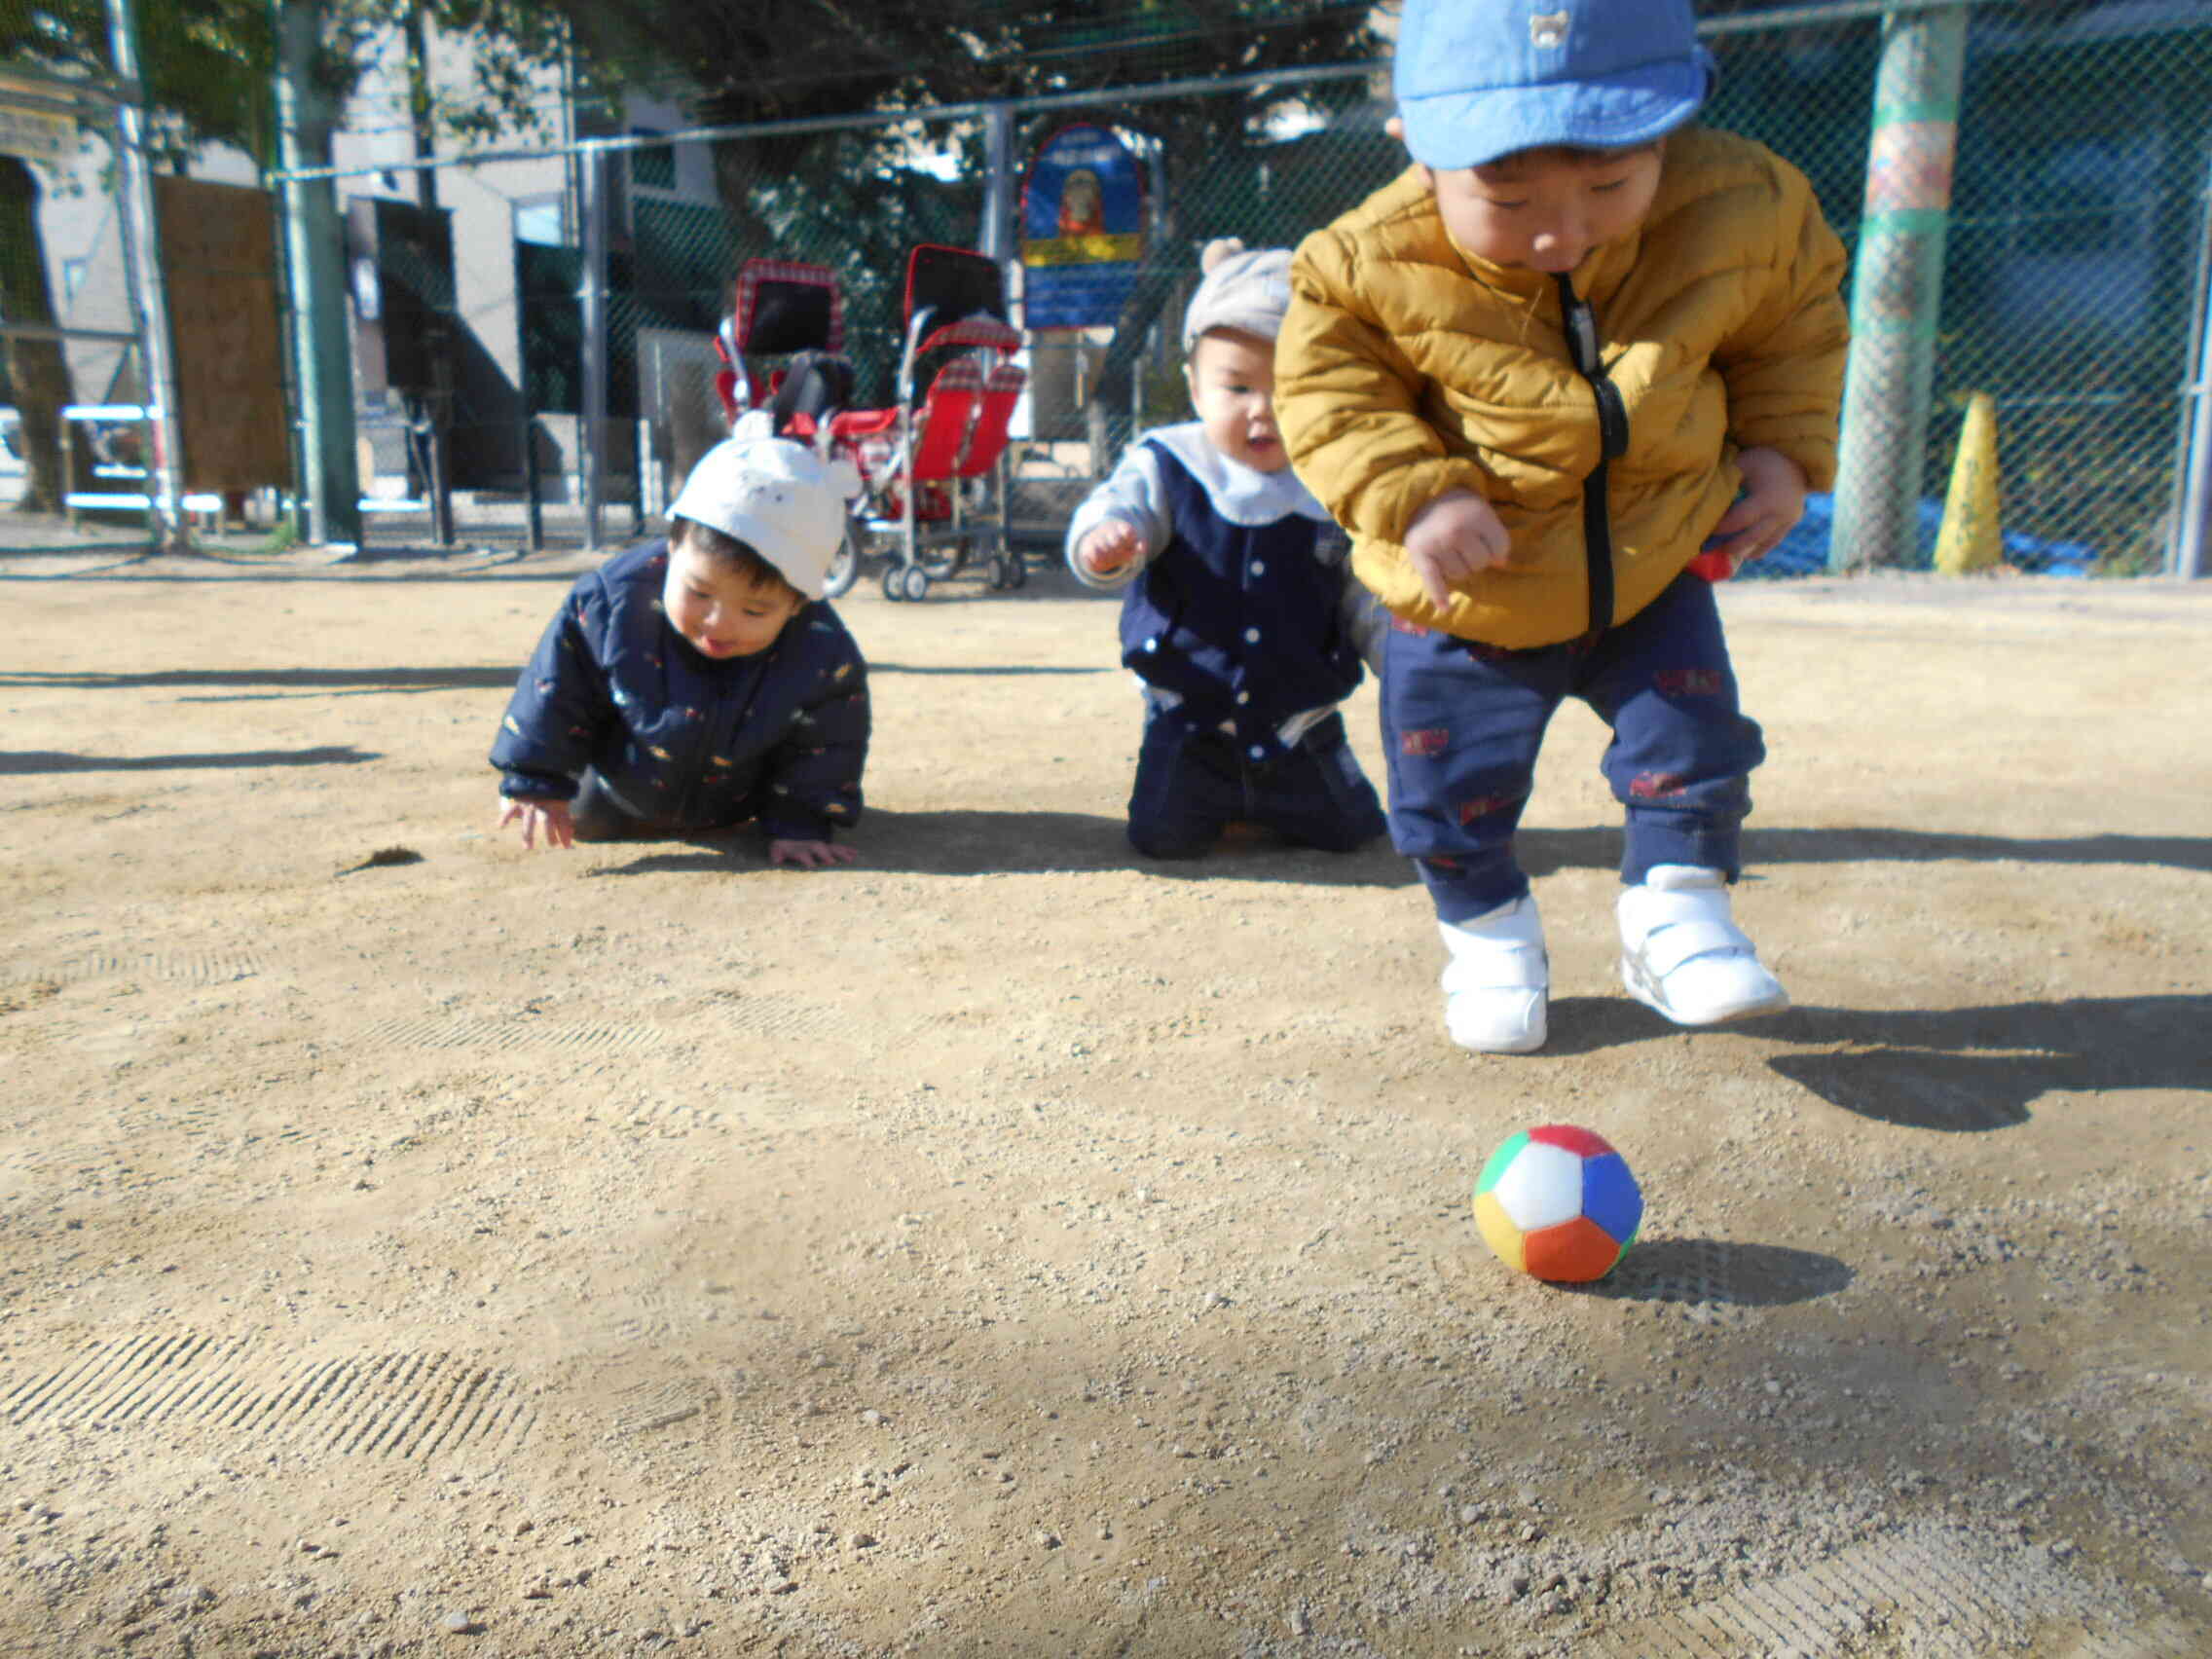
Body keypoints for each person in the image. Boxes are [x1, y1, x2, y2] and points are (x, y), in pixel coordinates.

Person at [1273, 0, 1850, 1052]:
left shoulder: (1744, 206)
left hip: (1651, 558)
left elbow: (1792, 327)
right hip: (1466, 591)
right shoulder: (1362, 265)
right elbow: (1328, 395)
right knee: (1448, 789)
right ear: (1415, 144)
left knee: (1693, 747)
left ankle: (1676, 913)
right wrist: (1418, 494)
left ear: (1672, 122)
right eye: (1506, 195)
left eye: (1607, 183)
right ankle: (1488, 938)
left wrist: (1779, 451)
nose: (1561, 229)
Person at [1066, 238, 1387, 861]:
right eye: (1238, 387)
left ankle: (1274, 801)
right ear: (1194, 385)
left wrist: (1400, 650)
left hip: (1302, 723)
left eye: (1292, 389)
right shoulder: (1171, 461)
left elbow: (1367, 589)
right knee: (1161, 837)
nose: (1263, 411)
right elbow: (1116, 507)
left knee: (1353, 833)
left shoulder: (1335, 479)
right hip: (1190, 718)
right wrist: (1104, 542)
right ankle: (1218, 799)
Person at [490, 421, 868, 868]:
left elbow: (826, 741)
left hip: (737, 802)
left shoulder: (821, 651)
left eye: (754, 611)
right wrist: (536, 780)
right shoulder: (611, 606)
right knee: (588, 817)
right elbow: (557, 689)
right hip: (619, 785)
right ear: (672, 547)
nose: (717, 622)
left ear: (797, 604)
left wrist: (801, 822)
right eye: (699, 591)